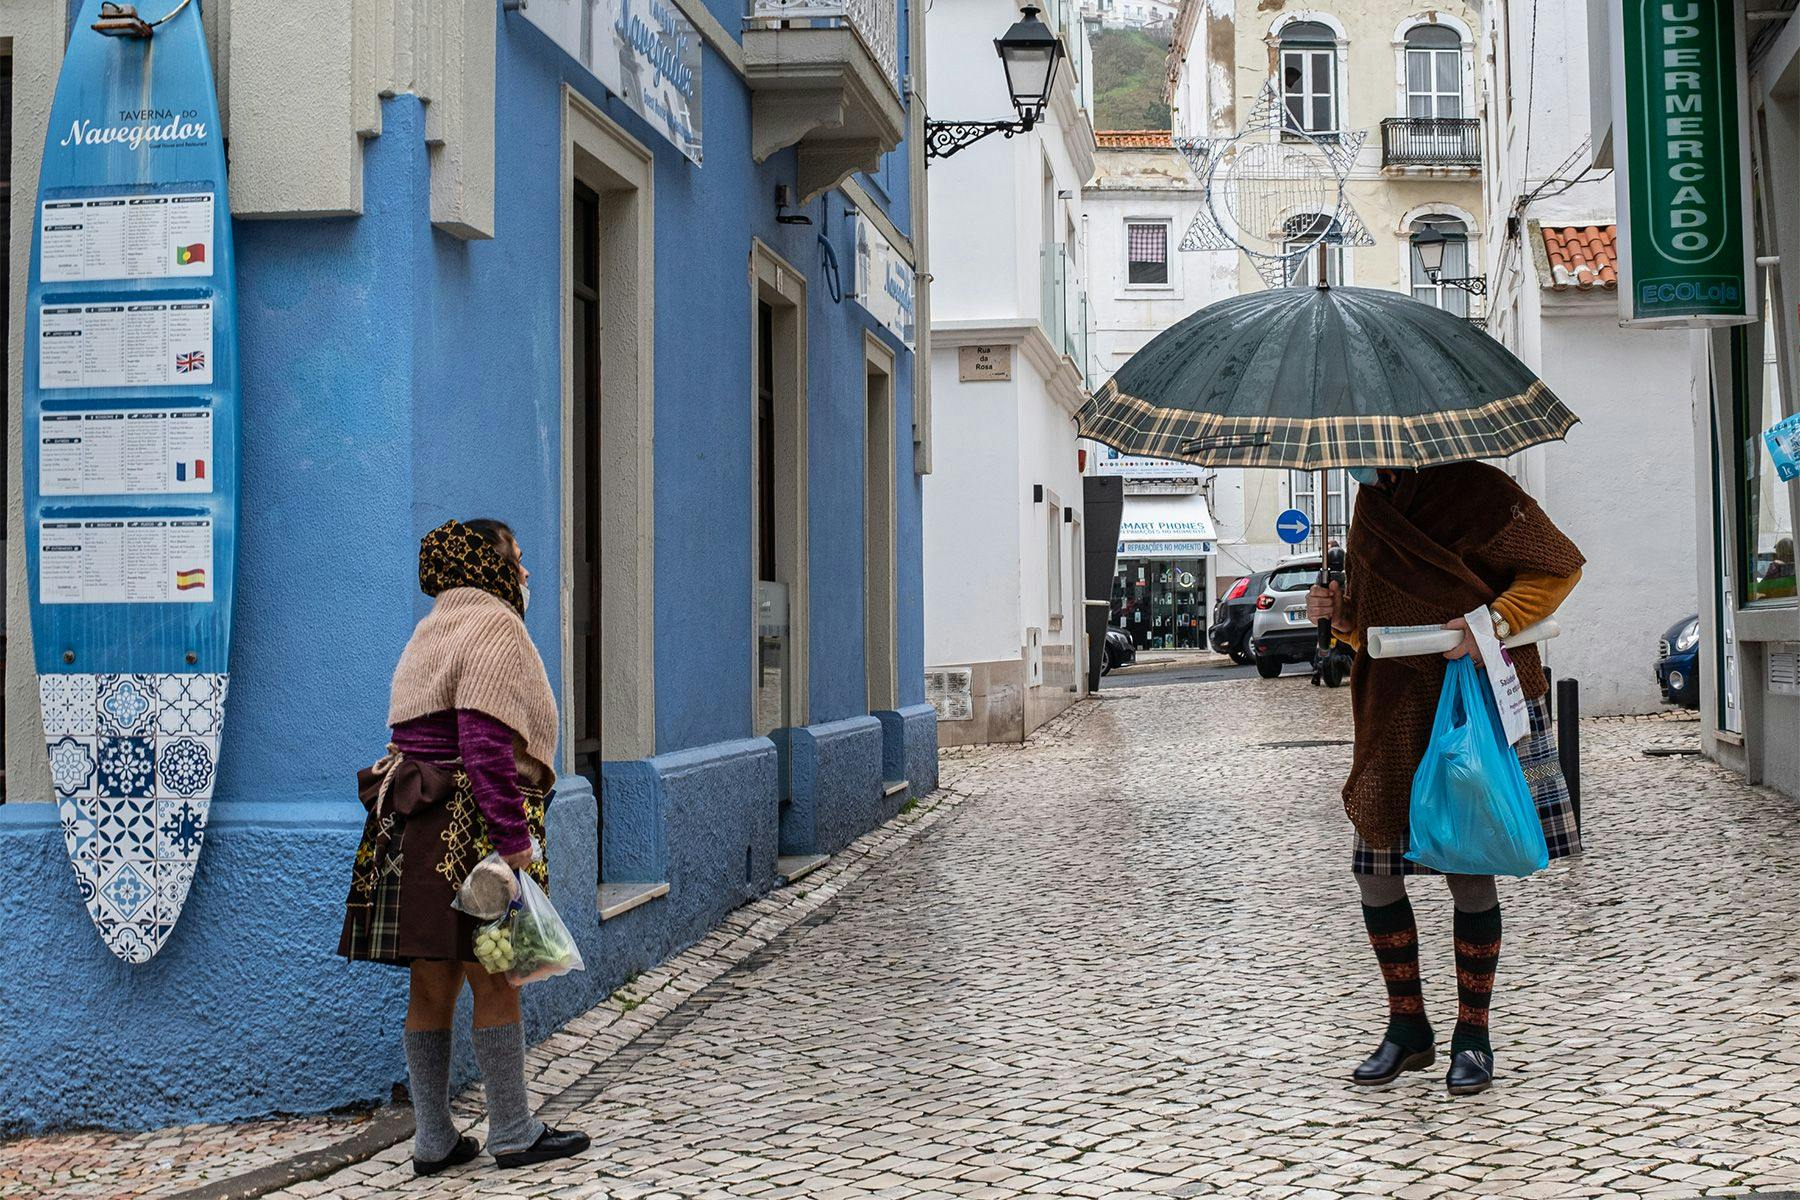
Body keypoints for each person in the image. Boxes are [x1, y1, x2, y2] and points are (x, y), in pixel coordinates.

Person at [1306, 462, 1585, 1097]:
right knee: (1375, 870)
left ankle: (1473, 1037)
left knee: (1467, 861)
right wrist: (1340, 614)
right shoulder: (1371, 501)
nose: (1362, 456)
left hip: (1468, 701)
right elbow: (1371, 620)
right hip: (1390, 706)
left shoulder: (1478, 489)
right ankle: (1408, 1028)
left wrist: (1491, 625)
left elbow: (1559, 568)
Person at [338, 518, 590, 1174]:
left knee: (432, 982)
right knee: (498, 976)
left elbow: (415, 733)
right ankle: (511, 1130)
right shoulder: (495, 627)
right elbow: (483, 746)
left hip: (410, 828)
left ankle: (433, 1139)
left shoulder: (433, 628)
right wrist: (514, 845)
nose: (527, 571)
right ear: (490, 564)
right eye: (519, 557)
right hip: (470, 829)